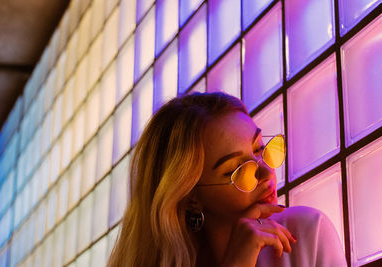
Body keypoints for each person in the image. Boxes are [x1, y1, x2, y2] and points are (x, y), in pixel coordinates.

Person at [107, 92, 347, 267]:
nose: (266, 173)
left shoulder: (306, 234)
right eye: (238, 169)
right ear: (191, 197)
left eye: (259, 148)